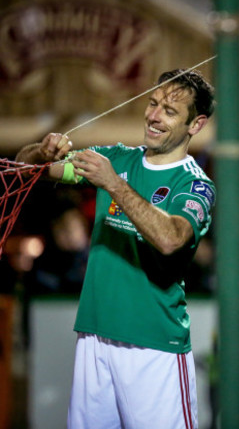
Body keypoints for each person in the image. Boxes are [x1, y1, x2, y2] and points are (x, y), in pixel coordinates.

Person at [16, 68, 216, 429]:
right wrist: (42, 151)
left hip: (153, 346)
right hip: (94, 337)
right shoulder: (117, 158)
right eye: (153, 104)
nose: (154, 116)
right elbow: (27, 169)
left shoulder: (195, 185)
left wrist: (114, 184)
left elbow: (170, 238)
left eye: (169, 112)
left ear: (195, 125)